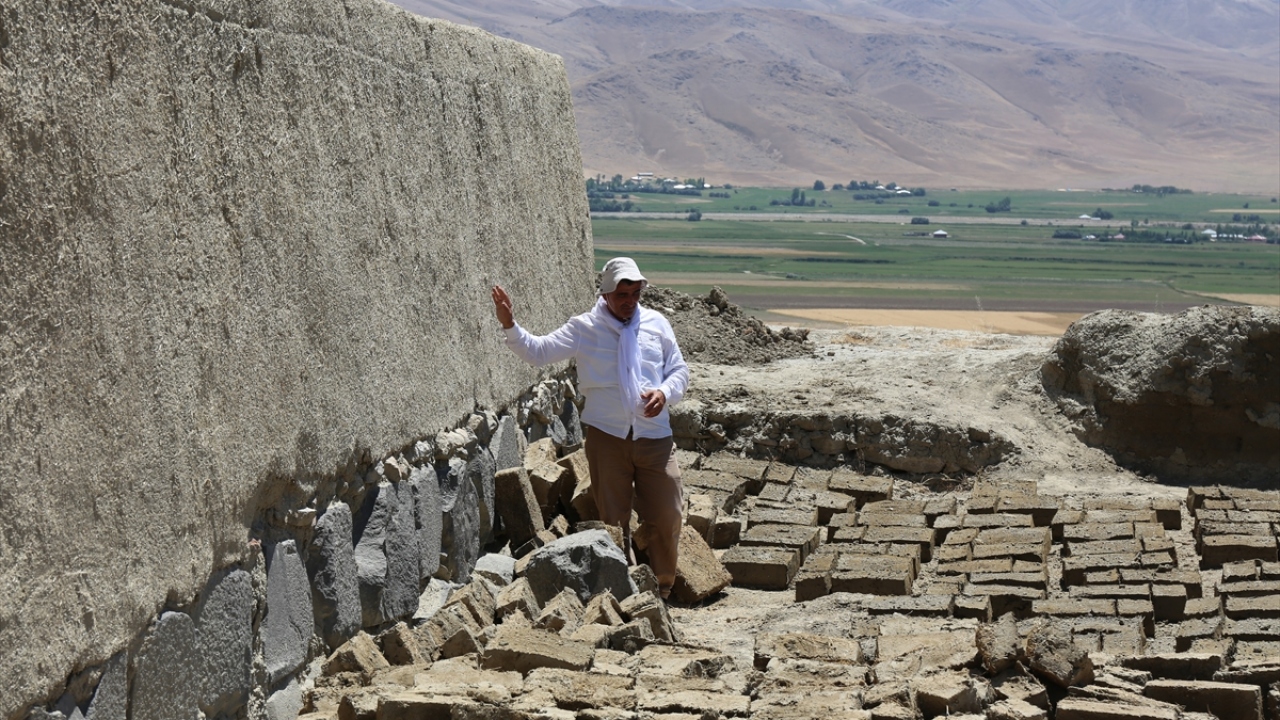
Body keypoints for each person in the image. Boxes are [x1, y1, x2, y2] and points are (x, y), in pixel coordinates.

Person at [491, 257, 689, 599]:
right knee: (613, 522)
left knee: (668, 513)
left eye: (636, 293)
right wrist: (510, 324)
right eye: (622, 294)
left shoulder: (657, 324)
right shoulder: (584, 328)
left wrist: (664, 392)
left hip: (654, 435)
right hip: (607, 437)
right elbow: (538, 351)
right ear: (606, 294)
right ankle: (627, 592)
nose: (630, 301)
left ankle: (662, 587)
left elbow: (679, 371)